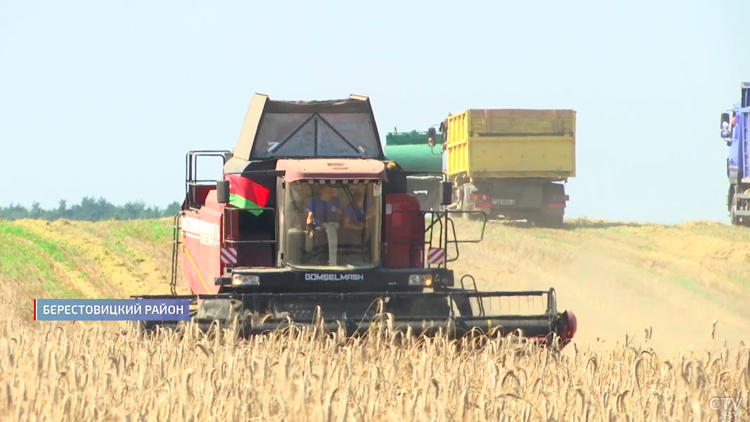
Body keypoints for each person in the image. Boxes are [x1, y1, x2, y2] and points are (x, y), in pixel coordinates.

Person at [305, 185, 342, 265]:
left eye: (332, 192)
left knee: (332, 229)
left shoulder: (336, 201)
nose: (330, 193)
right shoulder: (314, 201)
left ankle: (333, 262)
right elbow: (310, 215)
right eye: (328, 191)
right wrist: (309, 225)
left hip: (333, 225)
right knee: (320, 235)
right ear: (322, 190)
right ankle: (321, 259)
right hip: (319, 226)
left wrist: (338, 214)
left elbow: (340, 215)